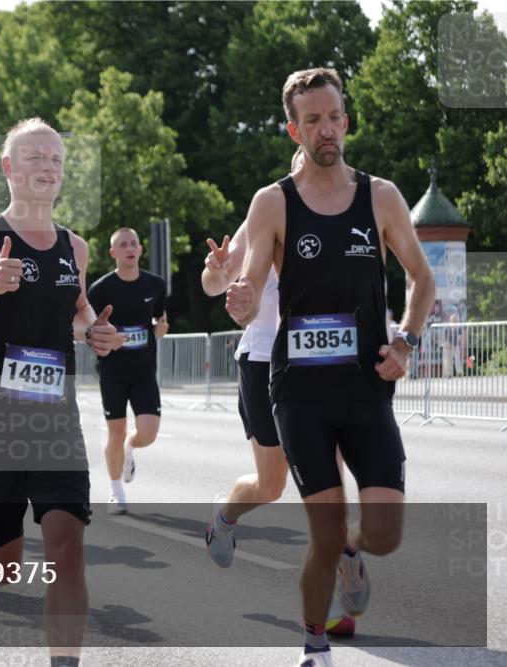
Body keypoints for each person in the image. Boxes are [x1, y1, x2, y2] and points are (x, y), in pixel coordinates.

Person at [225, 68, 435, 667]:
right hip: (299, 391)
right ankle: (314, 645)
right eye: (311, 120)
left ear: (346, 119)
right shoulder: (273, 202)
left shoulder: (382, 196)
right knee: (322, 531)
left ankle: (352, 544)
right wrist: (241, 300)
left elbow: (421, 279)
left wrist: (407, 344)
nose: (326, 129)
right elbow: (252, 289)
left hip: (367, 385)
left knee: (386, 534)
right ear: (294, 129)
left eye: (333, 116)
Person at [0, 118, 121, 663]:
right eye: (34, 157)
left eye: (55, 159)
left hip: (51, 413)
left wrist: (93, 332)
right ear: (8, 168)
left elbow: (75, 313)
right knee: (6, 559)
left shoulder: (74, 248)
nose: (48, 167)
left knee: (67, 549)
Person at [202, 151, 354, 637]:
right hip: (266, 360)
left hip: (323, 363)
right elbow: (215, 284)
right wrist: (219, 270)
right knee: (271, 485)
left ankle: (329, 590)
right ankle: (224, 518)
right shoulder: (267, 208)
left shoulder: (350, 214)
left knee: (326, 477)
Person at [87, 227, 168, 515]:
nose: (129, 248)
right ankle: (116, 491)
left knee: (148, 433)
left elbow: (160, 315)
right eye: (122, 244)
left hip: (144, 370)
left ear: (140, 250)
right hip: (113, 371)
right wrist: (106, 338)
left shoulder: (155, 285)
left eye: (133, 243)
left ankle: (130, 449)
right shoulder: (100, 290)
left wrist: (161, 326)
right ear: (113, 253)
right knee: (115, 432)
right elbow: (88, 328)